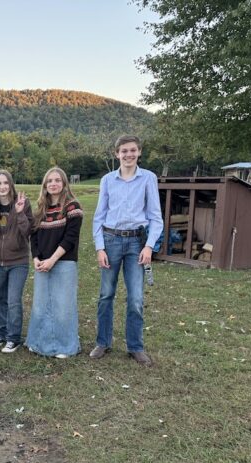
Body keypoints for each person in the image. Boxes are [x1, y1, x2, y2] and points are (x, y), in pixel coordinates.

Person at [90, 135, 163, 366]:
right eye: (124, 151)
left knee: (136, 298)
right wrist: (100, 247)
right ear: (117, 154)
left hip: (136, 243)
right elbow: (99, 217)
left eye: (132, 150)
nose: (128, 155)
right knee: (106, 295)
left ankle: (135, 347)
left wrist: (149, 246)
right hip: (111, 240)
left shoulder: (148, 178)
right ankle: (103, 342)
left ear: (139, 152)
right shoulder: (107, 180)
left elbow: (156, 217)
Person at [25, 167, 83, 358]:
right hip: (42, 263)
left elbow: (70, 238)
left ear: (64, 183)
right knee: (41, 305)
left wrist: (53, 259)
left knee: (63, 306)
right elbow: (33, 236)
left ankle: (64, 346)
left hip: (64, 262)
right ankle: (38, 343)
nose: (53, 184)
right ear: (45, 185)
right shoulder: (40, 209)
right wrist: (36, 258)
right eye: (49, 181)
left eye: (57, 180)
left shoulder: (73, 207)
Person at [0, 169, 32, 353]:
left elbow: (27, 231)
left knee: (13, 301)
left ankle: (13, 338)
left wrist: (19, 213)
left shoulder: (23, 203)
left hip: (18, 261)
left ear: (11, 185)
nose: (2, 187)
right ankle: (2, 333)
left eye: (5, 183)